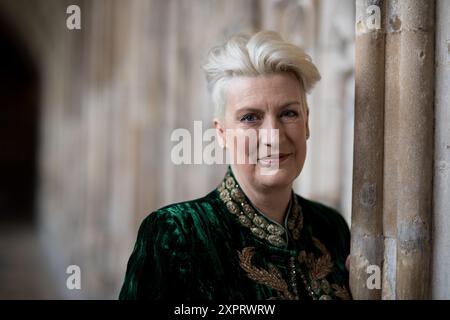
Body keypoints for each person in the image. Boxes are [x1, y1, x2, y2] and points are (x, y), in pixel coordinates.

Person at [119, 30, 351, 300]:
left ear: (307, 122)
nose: (273, 137)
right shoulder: (177, 233)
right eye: (251, 118)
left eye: (288, 113)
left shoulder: (331, 227)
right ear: (221, 133)